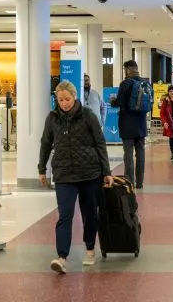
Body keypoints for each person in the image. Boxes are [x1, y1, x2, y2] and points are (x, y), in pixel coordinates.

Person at [38, 80, 112, 274]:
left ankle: (89, 249)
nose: (64, 103)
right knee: (65, 215)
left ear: (75, 96)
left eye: (67, 99)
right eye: (60, 99)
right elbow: (45, 143)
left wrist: (107, 172)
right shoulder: (52, 118)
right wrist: (41, 168)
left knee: (89, 214)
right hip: (64, 174)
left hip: (90, 172)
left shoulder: (88, 116)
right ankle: (62, 257)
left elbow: (100, 143)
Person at [111, 60, 148, 189]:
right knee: (141, 153)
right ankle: (140, 182)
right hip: (141, 123)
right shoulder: (145, 82)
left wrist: (113, 101)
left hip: (127, 123)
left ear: (127, 69)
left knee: (128, 154)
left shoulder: (125, 83)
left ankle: (130, 182)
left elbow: (119, 102)